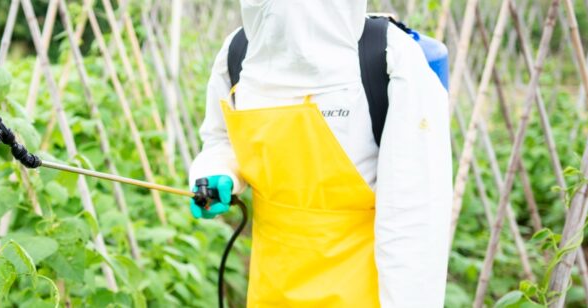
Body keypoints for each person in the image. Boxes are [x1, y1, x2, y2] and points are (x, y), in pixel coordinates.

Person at [187, 1, 452, 307]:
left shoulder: (388, 58)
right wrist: (218, 172)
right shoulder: (238, 52)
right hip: (271, 289)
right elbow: (222, 139)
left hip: (362, 294)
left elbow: (412, 219)